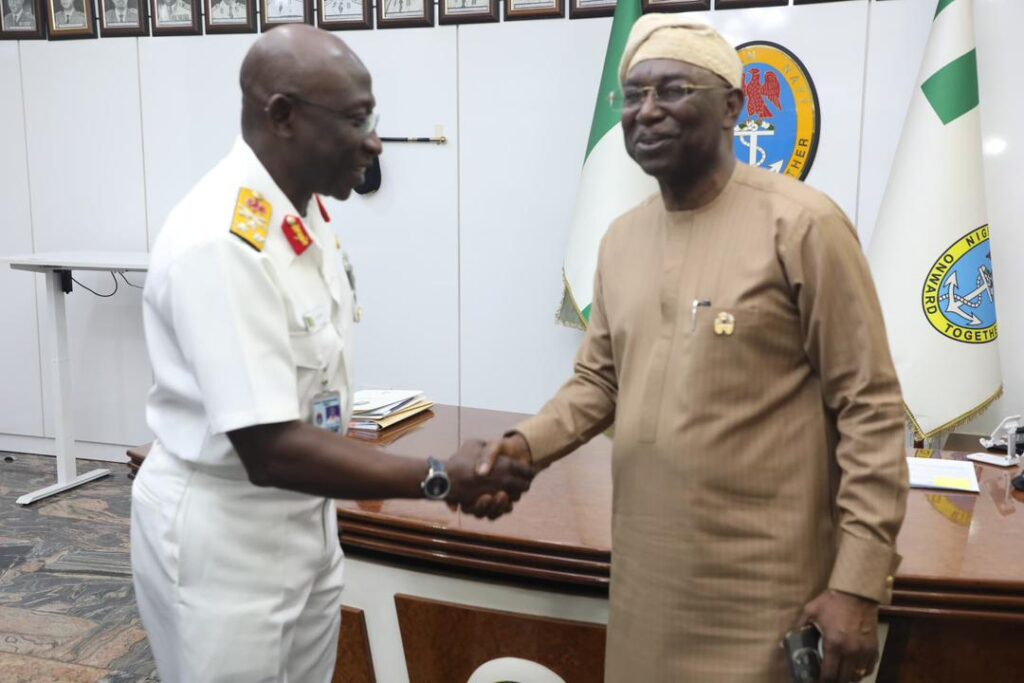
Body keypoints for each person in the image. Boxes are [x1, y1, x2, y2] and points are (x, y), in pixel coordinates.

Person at [478, 15, 909, 683]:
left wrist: (857, 583)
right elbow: (599, 381)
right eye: (633, 95)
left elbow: (871, 410)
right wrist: (522, 447)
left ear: (732, 107)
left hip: (770, 592)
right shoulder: (621, 239)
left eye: (674, 90)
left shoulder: (803, 225)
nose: (647, 111)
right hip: (647, 587)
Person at [130, 25, 533, 683]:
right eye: (354, 120)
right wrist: (439, 476)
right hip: (226, 539)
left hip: (306, 520)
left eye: (371, 117)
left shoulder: (302, 212)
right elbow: (270, 448)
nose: (374, 141)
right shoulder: (220, 241)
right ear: (282, 116)